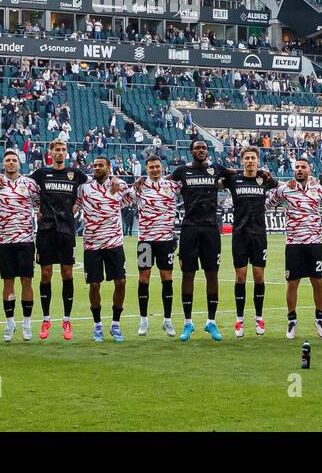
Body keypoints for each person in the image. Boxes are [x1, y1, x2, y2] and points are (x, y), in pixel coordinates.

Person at [169, 138, 235, 342]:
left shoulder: (217, 169)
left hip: (210, 230)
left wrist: (262, 175)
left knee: (212, 274)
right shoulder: (181, 171)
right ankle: (188, 323)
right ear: (191, 151)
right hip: (189, 228)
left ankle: (211, 322)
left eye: (204, 148)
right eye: (197, 148)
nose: (201, 150)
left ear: (208, 151)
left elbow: (236, 175)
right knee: (187, 275)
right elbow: (164, 185)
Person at [30, 138, 88, 340]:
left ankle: (66, 320)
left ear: (67, 153)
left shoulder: (76, 175)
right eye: (57, 149)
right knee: (45, 274)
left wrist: (78, 204)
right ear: (50, 152)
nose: (60, 152)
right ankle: (46, 319)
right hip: (46, 229)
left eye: (63, 149)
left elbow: (94, 187)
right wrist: (36, 208)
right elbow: (23, 188)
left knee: (67, 273)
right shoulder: (40, 174)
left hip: (67, 231)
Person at [268, 157, 322, 339]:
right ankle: (291, 320)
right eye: (297, 167)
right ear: (294, 170)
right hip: (293, 244)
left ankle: (319, 318)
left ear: (310, 170)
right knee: (292, 283)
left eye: (303, 167)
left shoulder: (319, 189)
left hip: (314, 243)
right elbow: (266, 204)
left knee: (317, 282)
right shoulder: (284, 189)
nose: (300, 170)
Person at [221, 146, 277, 337]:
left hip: (259, 235)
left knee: (259, 277)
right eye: (247, 158)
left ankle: (259, 317)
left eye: (253, 158)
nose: (251, 161)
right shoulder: (233, 179)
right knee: (240, 277)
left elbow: (283, 188)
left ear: (258, 161)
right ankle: (239, 320)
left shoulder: (265, 180)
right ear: (242, 160)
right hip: (239, 235)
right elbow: (215, 184)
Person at [75, 156, 130, 343]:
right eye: (95, 165)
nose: (96, 168)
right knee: (94, 285)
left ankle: (115, 324)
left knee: (121, 282)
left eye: (101, 165)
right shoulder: (84, 189)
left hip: (114, 242)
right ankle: (97, 326)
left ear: (109, 168)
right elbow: (74, 207)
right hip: (92, 244)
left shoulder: (119, 185)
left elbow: (134, 197)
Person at [0, 149, 41, 342]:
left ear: (19, 164)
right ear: (3, 164)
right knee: (8, 282)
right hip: (5, 242)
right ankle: (10, 324)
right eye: (8, 160)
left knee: (27, 281)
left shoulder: (29, 184)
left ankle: (27, 323)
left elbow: (39, 204)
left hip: (26, 241)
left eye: (14, 160)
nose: (11, 163)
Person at [128, 154, 181, 337]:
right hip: (146, 241)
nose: (155, 170)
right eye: (151, 168)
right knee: (144, 278)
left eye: (157, 166)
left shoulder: (173, 186)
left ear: (162, 167)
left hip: (166, 240)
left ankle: (167, 321)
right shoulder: (139, 187)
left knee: (167, 279)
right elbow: (121, 199)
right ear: (146, 169)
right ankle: (143, 320)